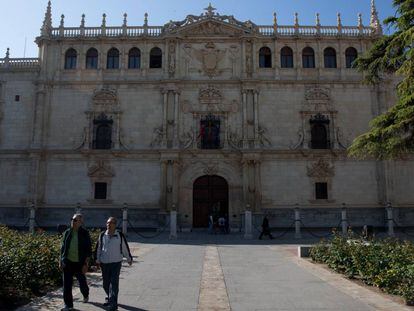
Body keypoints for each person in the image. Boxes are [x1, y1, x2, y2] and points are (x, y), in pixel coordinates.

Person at [96, 217, 133, 311]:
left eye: (111, 223)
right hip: (104, 263)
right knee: (105, 283)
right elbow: (99, 248)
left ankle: (113, 304)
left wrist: (129, 258)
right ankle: (109, 297)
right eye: (107, 223)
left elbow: (124, 247)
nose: (108, 225)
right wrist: (97, 259)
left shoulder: (119, 235)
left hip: (116, 262)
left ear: (115, 225)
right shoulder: (102, 235)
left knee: (114, 283)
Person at [59, 214, 92, 311]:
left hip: (80, 263)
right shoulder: (67, 232)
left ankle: (85, 294)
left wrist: (86, 264)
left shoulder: (84, 233)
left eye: (75, 220)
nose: (72, 221)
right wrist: (60, 260)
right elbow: (62, 248)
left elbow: (88, 250)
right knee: (67, 285)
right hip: (68, 262)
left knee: (82, 282)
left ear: (80, 222)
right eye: (72, 219)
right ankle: (68, 306)